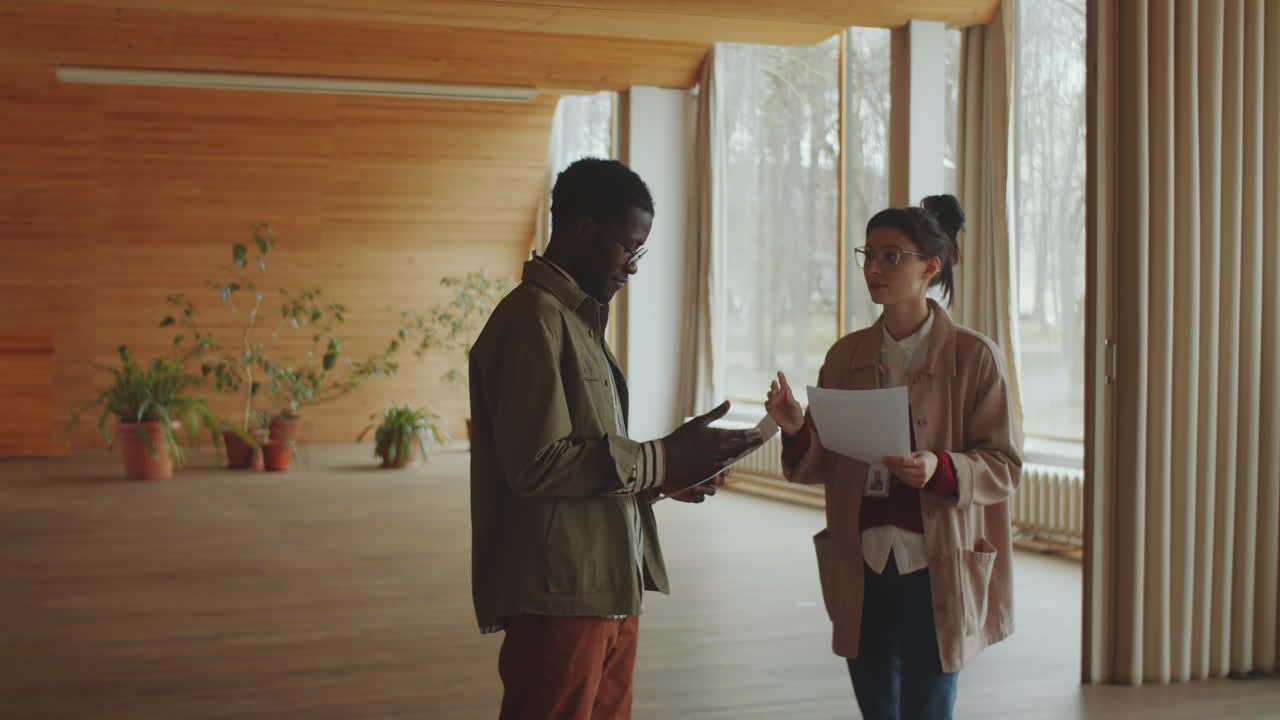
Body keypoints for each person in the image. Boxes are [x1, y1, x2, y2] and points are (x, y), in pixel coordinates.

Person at [470, 157, 762, 720]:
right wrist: (660, 456)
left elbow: (584, 459)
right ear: (585, 229)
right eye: (630, 247)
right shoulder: (531, 319)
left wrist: (665, 476)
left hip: (609, 585)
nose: (632, 266)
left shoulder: (578, 320)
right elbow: (536, 465)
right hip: (562, 593)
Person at [764, 195, 1023, 720]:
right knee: (876, 704)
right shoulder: (846, 355)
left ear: (931, 266)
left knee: (929, 706)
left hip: (937, 560)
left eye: (891, 256)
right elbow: (821, 466)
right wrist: (796, 430)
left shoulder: (976, 357)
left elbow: (1003, 464)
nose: (874, 269)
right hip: (864, 559)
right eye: (869, 255)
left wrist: (939, 467)